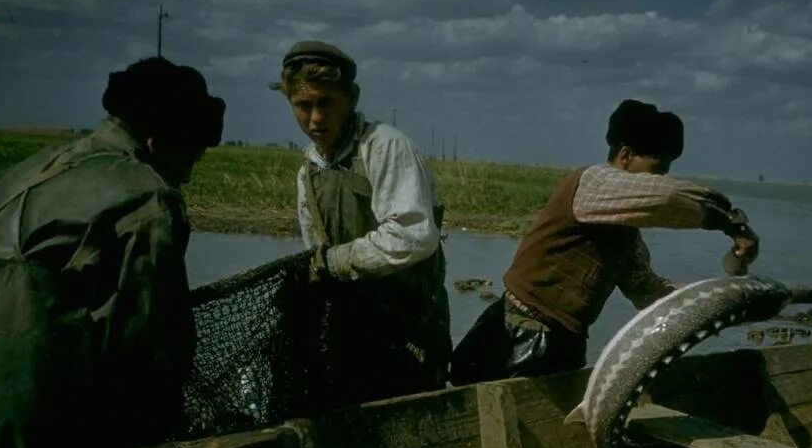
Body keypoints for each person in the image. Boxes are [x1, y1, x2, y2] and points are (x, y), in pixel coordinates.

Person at [0, 56, 225, 448]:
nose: (190, 178)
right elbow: (152, 345)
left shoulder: (26, 170)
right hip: (29, 422)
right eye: (192, 160)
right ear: (158, 142)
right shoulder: (149, 197)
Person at [449, 98, 760, 386]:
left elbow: (648, 291)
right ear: (624, 155)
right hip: (517, 337)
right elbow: (666, 198)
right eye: (657, 170)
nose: (661, 179)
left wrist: (716, 299)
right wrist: (729, 221)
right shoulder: (590, 183)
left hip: (562, 347)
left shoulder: (626, 235)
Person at [273, 40, 452, 409]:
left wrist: (334, 263)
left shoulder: (384, 146)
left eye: (326, 103)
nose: (316, 119)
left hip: (410, 329)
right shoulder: (309, 169)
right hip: (355, 330)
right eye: (303, 106)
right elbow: (315, 251)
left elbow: (413, 235)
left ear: (351, 98)